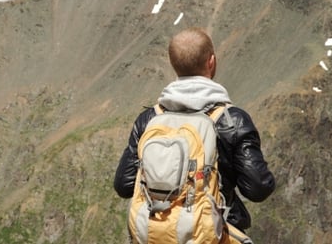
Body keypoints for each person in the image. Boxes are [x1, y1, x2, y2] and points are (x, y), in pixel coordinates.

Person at [113, 27, 275, 233]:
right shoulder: (232, 120)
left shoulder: (150, 119)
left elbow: (124, 185)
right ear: (211, 62)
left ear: (173, 65)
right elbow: (258, 188)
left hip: (159, 233)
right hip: (213, 234)